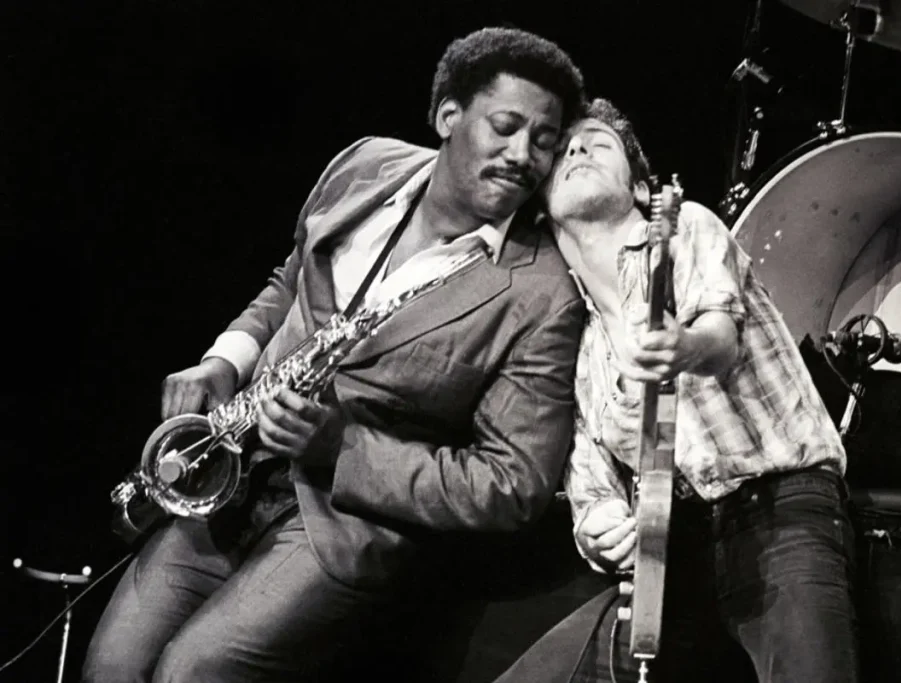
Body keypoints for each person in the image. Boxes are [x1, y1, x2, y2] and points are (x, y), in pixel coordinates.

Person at [83, 27, 588, 683]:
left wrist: (342, 448)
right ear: (448, 115)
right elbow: (292, 280)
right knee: (111, 668)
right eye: (505, 126)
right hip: (228, 474)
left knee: (192, 672)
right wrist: (227, 358)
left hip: (342, 525)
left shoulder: (545, 291)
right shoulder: (363, 164)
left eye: (543, 141)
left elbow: (512, 485)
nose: (523, 154)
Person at [493, 98, 859, 683]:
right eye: (562, 151)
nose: (577, 150)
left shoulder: (685, 227)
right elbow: (589, 488)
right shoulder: (575, 341)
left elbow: (721, 333)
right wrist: (600, 530)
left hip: (780, 509)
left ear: (641, 188)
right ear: (543, 206)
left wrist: (685, 347)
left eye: (597, 143)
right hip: (674, 545)